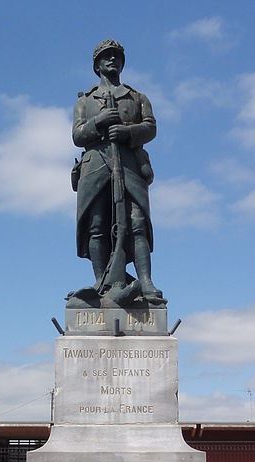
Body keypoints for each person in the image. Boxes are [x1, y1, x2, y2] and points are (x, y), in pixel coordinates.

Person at [71, 39, 164, 306]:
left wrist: (127, 132)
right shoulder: (86, 101)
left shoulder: (137, 97)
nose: (112, 60)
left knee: (137, 222)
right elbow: (77, 135)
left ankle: (145, 281)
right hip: (96, 165)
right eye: (106, 56)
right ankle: (101, 282)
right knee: (96, 225)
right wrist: (100, 121)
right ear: (97, 65)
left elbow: (150, 127)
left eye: (116, 56)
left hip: (129, 164)